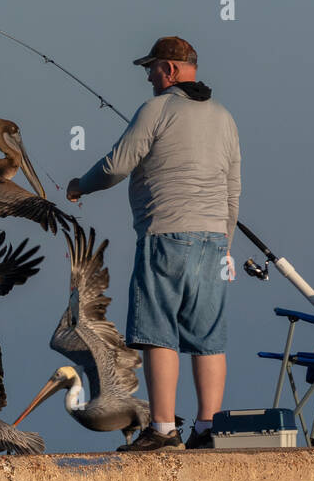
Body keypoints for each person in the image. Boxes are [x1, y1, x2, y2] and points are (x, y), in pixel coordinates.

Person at [67, 36, 240, 451]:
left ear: (171, 70)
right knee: (208, 338)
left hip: (166, 234)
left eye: (151, 68)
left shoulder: (157, 109)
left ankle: (163, 429)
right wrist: (225, 244)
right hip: (215, 240)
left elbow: (116, 165)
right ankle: (206, 430)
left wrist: (80, 186)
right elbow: (233, 189)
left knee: (158, 333)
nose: (147, 76)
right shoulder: (224, 117)